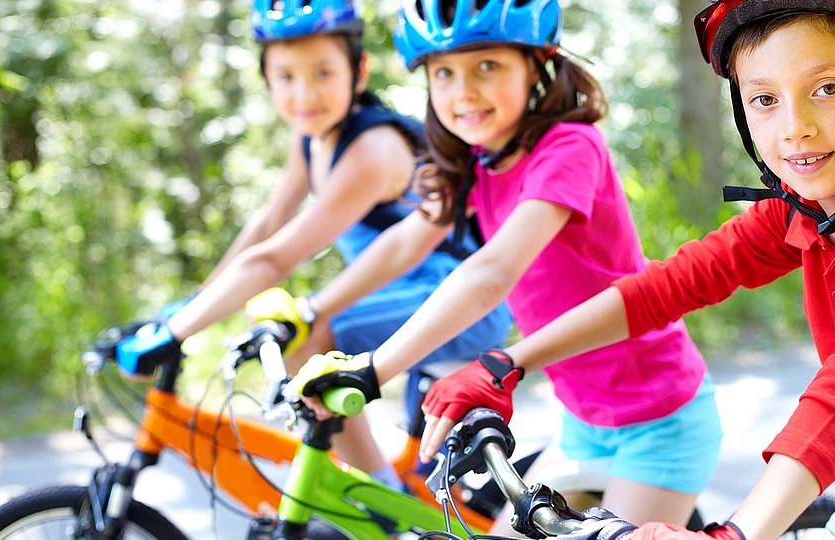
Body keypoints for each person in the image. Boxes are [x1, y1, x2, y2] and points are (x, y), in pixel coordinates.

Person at [414, 1, 835, 538]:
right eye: (763, 99)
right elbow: (665, 287)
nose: (795, 128)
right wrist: (507, 361)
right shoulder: (803, 211)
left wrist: (734, 534)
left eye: (826, 88)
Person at [286, 0, 724, 531]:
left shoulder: (569, 146)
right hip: (584, 420)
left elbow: (492, 272)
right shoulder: (478, 161)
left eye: (486, 67)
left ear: (536, 64)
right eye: (443, 72)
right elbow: (406, 242)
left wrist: (377, 367)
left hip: (659, 419)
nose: (463, 91)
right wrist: (312, 309)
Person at [113, 0, 511, 491]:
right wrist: (190, 308)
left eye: (323, 73)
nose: (305, 94)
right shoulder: (313, 138)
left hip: (459, 302)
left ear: (358, 71)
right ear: (266, 78)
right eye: (286, 76)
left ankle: (377, 497)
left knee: (313, 336)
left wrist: (177, 331)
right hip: (398, 297)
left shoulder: (370, 149)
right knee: (306, 332)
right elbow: (269, 225)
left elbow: (279, 256)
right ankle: (380, 489)